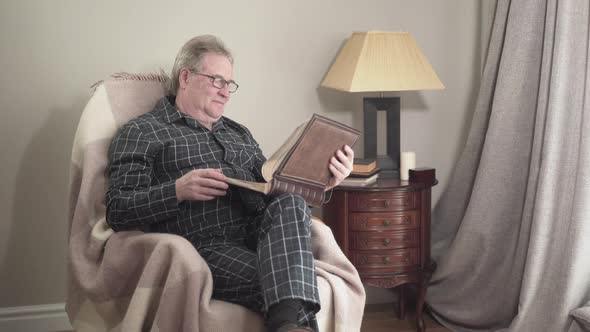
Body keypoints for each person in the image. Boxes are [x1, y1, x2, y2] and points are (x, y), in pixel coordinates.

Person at [105, 35, 354, 332]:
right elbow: (118, 210)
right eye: (217, 81)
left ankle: (287, 324)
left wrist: (324, 180)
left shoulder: (239, 133)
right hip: (208, 247)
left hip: (266, 237)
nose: (226, 93)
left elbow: (271, 189)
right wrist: (176, 191)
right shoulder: (143, 131)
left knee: (290, 201)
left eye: (229, 84)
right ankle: (289, 323)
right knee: (292, 285)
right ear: (186, 77)